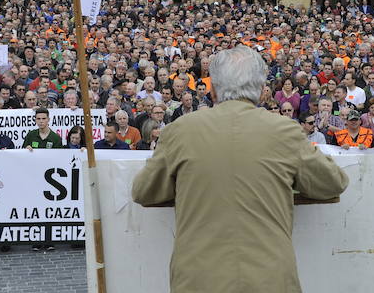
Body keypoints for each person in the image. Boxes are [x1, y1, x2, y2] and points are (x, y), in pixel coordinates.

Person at [132, 45, 348, 293]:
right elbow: (333, 183)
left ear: (213, 90)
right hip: (269, 276)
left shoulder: (179, 131)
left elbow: (143, 191)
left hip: (198, 277)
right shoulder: (284, 130)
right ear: (259, 90)